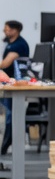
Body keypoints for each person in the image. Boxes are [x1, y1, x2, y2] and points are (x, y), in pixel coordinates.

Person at [1, 19, 29, 155]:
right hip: (8, 84)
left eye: (7, 29)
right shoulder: (10, 44)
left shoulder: (19, 45)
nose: (5, 31)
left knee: (11, 117)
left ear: (15, 30)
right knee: (8, 115)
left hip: (16, 85)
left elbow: (5, 64)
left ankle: (7, 145)